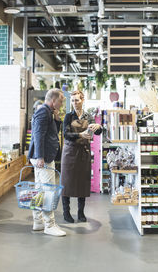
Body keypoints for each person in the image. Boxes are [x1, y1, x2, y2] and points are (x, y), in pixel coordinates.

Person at [28, 88, 66, 237]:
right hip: (43, 158)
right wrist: (40, 157)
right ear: (53, 100)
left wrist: (56, 120)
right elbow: (37, 134)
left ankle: (38, 222)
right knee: (49, 190)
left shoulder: (48, 112)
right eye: (61, 100)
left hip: (42, 156)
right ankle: (49, 225)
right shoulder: (43, 111)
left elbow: (51, 134)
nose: (62, 103)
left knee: (39, 190)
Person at [61, 90, 102, 223]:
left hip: (83, 153)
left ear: (82, 100)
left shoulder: (88, 117)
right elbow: (65, 134)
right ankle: (66, 213)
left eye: (77, 100)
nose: (74, 103)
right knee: (66, 183)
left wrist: (99, 126)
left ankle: (80, 213)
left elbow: (97, 133)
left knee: (82, 183)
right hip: (69, 153)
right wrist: (80, 135)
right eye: (72, 100)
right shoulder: (68, 116)